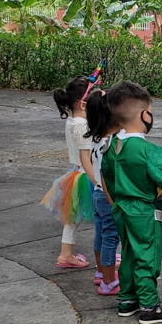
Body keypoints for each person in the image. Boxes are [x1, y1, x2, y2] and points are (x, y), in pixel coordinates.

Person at [92, 81, 162, 324]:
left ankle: (127, 300)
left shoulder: (112, 147)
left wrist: (115, 203)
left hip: (121, 209)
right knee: (147, 256)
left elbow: (106, 177)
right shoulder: (152, 151)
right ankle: (149, 305)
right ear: (144, 114)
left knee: (130, 253)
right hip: (145, 211)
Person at [41, 76, 95, 269]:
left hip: (77, 175)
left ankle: (66, 254)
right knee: (105, 219)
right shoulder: (82, 125)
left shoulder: (74, 120)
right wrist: (96, 181)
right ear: (83, 103)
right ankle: (106, 255)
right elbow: (85, 157)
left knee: (73, 220)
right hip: (86, 175)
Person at [85, 88, 124, 295]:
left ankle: (101, 272)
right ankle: (109, 281)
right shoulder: (113, 143)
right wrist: (114, 201)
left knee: (100, 234)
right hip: (108, 196)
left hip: (97, 193)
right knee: (111, 237)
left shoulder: (96, 138)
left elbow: (93, 164)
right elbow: (111, 174)